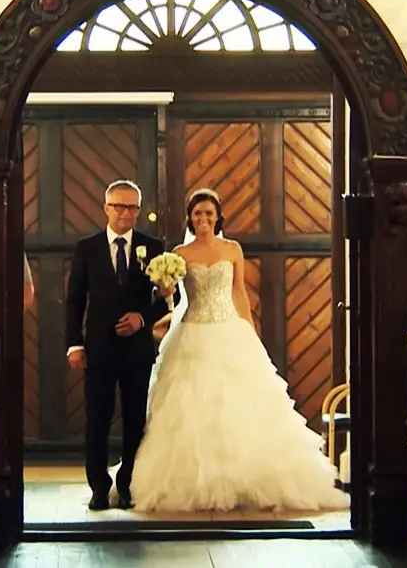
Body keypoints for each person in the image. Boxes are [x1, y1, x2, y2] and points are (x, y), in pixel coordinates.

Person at [128, 188, 348, 512]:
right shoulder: (180, 253)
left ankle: (247, 479)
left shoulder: (233, 249)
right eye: (198, 214)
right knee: (189, 409)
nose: (203, 219)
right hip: (192, 333)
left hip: (229, 330)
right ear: (190, 217)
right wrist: (164, 286)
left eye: (209, 214)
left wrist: (249, 328)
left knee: (242, 407)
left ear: (218, 218)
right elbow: (169, 295)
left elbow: (239, 292)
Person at [64, 180, 171, 510]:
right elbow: (75, 299)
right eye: (119, 206)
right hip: (98, 346)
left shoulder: (153, 246)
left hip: (137, 347)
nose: (125, 213)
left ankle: (127, 484)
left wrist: (142, 317)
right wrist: (74, 345)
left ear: (139, 210)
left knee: (135, 417)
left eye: (132, 207)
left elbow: (166, 298)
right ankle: (99, 486)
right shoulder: (88, 248)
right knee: (98, 416)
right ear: (106, 208)